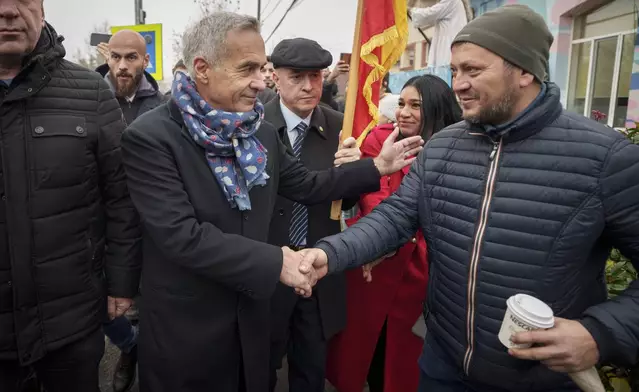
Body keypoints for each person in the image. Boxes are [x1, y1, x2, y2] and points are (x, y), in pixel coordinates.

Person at [299, 5, 639, 391]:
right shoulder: (444, 146)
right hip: (441, 368)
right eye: (456, 71)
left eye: (474, 71)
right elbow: (395, 217)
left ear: (525, 71)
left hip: (541, 382)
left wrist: (600, 334)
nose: (458, 84)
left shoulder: (606, 157)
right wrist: (329, 254)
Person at [119, 11, 423, 392]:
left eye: (262, 69)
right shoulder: (150, 137)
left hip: (251, 314)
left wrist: (377, 167)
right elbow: (182, 236)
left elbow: (308, 184)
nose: (260, 81)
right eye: (248, 69)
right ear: (202, 68)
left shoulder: (258, 132)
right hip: (190, 324)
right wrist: (278, 261)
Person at [0, 1, 141, 391]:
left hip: (72, 327)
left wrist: (122, 283)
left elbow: (121, 197)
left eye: (23, 0)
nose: (8, 10)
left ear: (42, 11)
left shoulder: (90, 91)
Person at [326, 76, 462, 392]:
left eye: (416, 105)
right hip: (372, 264)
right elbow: (375, 195)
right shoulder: (380, 138)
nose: (404, 112)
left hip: (424, 272)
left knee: (406, 362)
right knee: (364, 352)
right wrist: (385, 235)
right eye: (401, 103)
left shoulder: (456, 149)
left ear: (437, 109)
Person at [263, 37, 356, 392]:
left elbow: (345, 206)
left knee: (310, 369)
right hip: (268, 269)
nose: (308, 86)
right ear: (275, 76)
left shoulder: (340, 128)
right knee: (260, 367)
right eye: (297, 76)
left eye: (315, 76)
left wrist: (352, 177)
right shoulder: (253, 124)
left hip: (318, 270)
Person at [97, 29, 167, 392]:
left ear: (145, 60)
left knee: (149, 305)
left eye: (131, 58)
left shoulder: (165, 105)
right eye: (116, 57)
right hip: (100, 224)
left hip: (150, 224)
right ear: (107, 57)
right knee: (104, 309)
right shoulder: (86, 99)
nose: (122, 66)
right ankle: (129, 347)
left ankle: (148, 359)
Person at [408, 0, 471, 70]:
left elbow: (430, 14)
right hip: (451, 49)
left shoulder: (451, 1)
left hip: (447, 52)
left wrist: (410, 10)